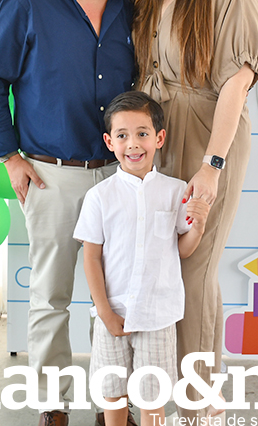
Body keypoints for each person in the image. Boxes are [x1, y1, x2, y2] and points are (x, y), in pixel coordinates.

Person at [0, 0, 135, 426]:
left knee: (116, 298)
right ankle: (53, 405)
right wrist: (8, 155)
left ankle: (114, 403)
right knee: (51, 296)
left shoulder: (132, 12)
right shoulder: (26, 4)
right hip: (52, 175)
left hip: (119, 177)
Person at [128, 0, 258, 422]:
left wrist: (212, 166)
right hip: (159, 138)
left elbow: (237, 83)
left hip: (211, 135)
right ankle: (179, 398)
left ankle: (199, 404)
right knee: (165, 270)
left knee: (195, 270)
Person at [74, 91, 209, 426]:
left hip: (157, 314)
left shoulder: (176, 191)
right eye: (122, 135)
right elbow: (91, 257)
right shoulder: (99, 196)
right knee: (113, 393)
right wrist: (104, 311)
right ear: (109, 142)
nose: (133, 144)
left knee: (152, 395)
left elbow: (182, 250)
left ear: (159, 138)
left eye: (142, 134)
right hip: (113, 312)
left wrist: (198, 227)